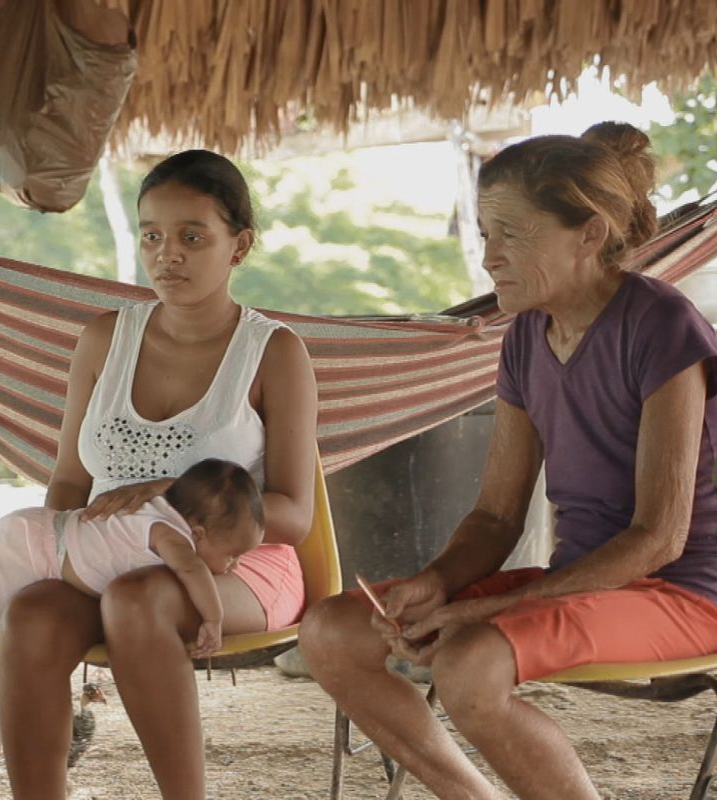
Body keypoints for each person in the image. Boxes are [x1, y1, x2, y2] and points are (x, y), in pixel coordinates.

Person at [299, 122, 717, 800]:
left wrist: (497, 611)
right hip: (582, 584)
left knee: (469, 662)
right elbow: (496, 515)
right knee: (333, 631)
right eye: (486, 234)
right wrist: (437, 584)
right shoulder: (526, 337)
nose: (489, 257)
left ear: (589, 232)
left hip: (685, 593)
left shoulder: (660, 324)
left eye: (512, 235)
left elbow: (659, 538)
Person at [0, 149, 318, 798]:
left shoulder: (273, 353)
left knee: (138, 600)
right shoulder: (102, 341)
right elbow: (67, 485)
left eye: (192, 237)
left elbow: (293, 513)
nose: (167, 254)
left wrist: (174, 495)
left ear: (239, 245)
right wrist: (49, 551)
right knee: (29, 611)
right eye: (153, 236)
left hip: (238, 564)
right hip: (109, 558)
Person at [0, 458, 265, 661]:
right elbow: (192, 569)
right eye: (233, 555)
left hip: (37, 534)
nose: (234, 566)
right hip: (34, 545)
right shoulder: (171, 536)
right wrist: (213, 619)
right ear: (197, 533)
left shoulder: (154, 507)